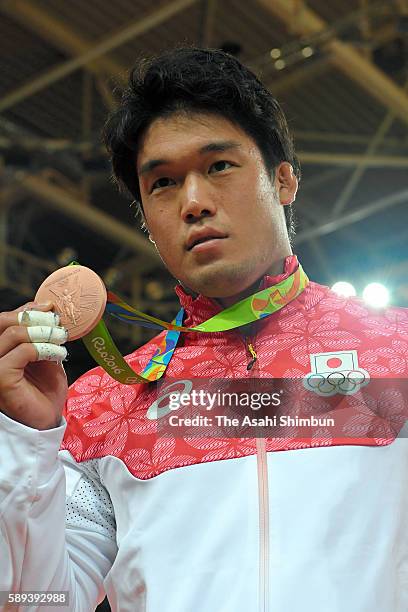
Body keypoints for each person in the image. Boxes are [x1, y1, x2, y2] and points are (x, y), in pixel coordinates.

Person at [1, 47, 408, 612]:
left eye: (218, 165)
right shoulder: (101, 408)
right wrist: (24, 440)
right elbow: (35, 600)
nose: (193, 202)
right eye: (163, 183)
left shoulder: (400, 353)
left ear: (284, 179)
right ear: (146, 220)